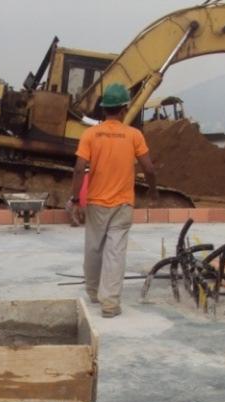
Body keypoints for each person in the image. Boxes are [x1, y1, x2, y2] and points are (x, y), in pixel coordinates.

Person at [67, 83, 157, 318]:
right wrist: (153, 190)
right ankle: (110, 304)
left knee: (94, 248)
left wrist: (76, 199)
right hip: (123, 204)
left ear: (104, 108)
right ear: (124, 108)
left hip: (96, 202)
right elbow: (149, 167)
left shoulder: (90, 135)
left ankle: (94, 292)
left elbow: (78, 169)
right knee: (115, 252)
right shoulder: (134, 135)